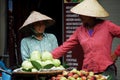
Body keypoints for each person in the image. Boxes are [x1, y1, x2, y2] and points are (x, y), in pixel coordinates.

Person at [51, 0, 120, 80]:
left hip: (106, 69)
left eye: (82, 14)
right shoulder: (79, 31)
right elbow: (64, 47)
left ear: (91, 14)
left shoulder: (107, 26)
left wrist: (116, 53)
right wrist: (49, 57)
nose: (79, 16)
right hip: (88, 71)